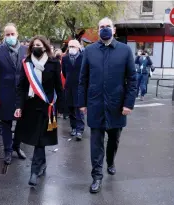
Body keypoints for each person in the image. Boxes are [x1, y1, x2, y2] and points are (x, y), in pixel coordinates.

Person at [78, 17, 137, 194]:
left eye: (108, 26)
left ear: (114, 30)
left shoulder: (125, 51)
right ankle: (97, 176)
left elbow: (132, 80)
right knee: (96, 143)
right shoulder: (89, 51)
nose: (105, 29)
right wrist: (81, 103)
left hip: (117, 106)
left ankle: (110, 161)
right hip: (95, 105)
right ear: (98, 30)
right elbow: (83, 79)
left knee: (114, 140)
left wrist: (128, 104)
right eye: (101, 27)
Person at [14, 35, 63, 186]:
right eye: (34, 45)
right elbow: (21, 87)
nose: (37, 47)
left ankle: (34, 172)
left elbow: (58, 87)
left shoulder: (53, 63)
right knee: (36, 138)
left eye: (39, 45)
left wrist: (60, 107)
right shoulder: (26, 63)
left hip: (47, 106)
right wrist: (19, 106)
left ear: (45, 47)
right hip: (30, 106)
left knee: (39, 140)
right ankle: (41, 164)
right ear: (30, 47)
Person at [0, 23, 27, 165]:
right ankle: (7, 150)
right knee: (6, 123)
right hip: (4, 94)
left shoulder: (25, 50)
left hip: (21, 94)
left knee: (21, 123)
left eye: (12, 34)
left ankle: (17, 146)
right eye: (7, 34)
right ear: (4, 36)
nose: (10, 37)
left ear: (17, 34)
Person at [62, 40, 85, 140]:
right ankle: (73, 128)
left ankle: (80, 130)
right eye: (70, 46)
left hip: (80, 87)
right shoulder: (65, 58)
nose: (71, 48)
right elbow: (64, 72)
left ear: (78, 47)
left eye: (73, 46)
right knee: (71, 109)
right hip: (69, 87)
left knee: (79, 109)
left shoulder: (84, 57)